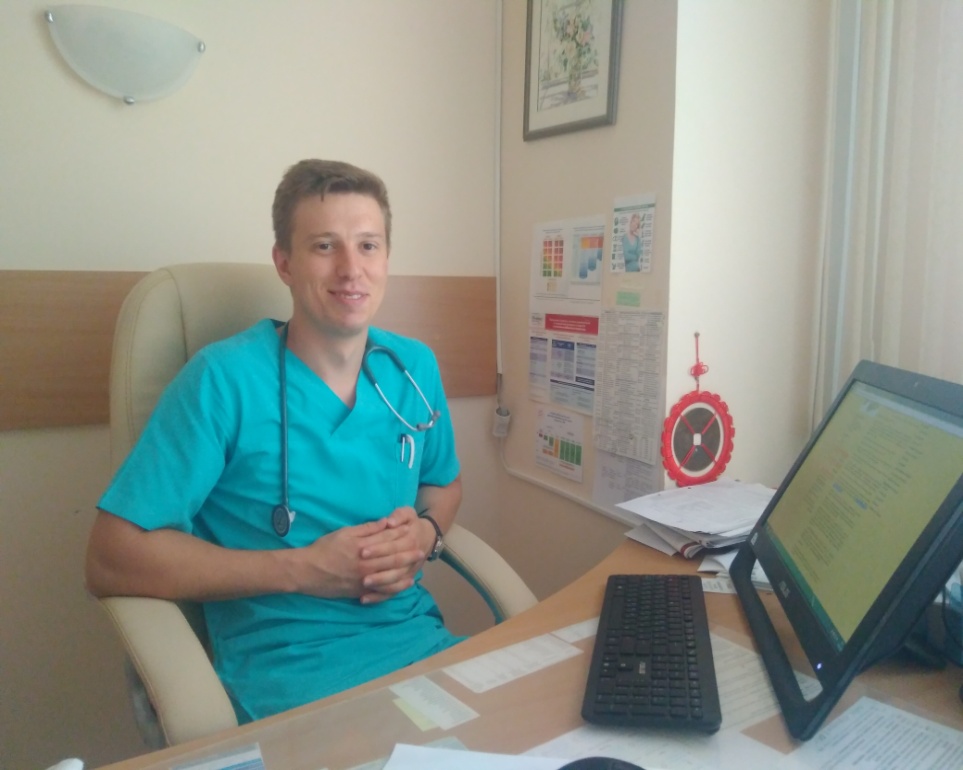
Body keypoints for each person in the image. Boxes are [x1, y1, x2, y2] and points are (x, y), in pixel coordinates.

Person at [85, 159, 464, 723]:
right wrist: (305, 569)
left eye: (368, 246)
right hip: (289, 679)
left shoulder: (413, 368)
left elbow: (443, 484)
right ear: (284, 262)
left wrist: (427, 533)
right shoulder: (223, 381)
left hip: (421, 650)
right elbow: (110, 557)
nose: (351, 269)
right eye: (324, 246)